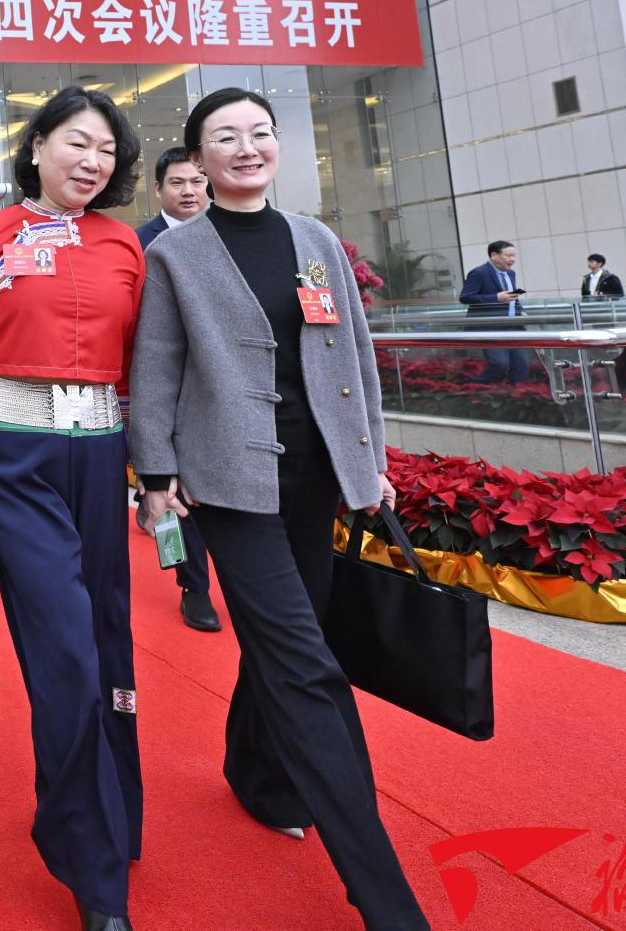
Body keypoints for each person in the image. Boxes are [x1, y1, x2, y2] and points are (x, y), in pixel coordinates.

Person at [129, 86, 428, 931]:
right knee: (306, 664)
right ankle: (383, 893)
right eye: (226, 136)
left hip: (316, 474)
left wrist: (369, 460)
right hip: (229, 482)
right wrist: (156, 473)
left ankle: (255, 773)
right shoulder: (177, 253)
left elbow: (355, 352)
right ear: (198, 157)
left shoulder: (314, 239)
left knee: (287, 639)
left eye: (260, 132)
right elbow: (155, 364)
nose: (246, 147)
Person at [0, 86, 145, 931]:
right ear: (37, 144)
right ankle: (93, 870)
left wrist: (156, 471)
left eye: (107, 150)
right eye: (78, 142)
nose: (93, 161)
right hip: (14, 456)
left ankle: (114, 812)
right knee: (64, 651)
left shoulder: (126, 243)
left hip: (104, 452)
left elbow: (143, 363)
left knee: (110, 637)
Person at [132, 146, 220, 635]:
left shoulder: (225, 234)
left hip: (219, 386)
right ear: (158, 189)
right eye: (178, 183)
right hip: (164, 384)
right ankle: (194, 586)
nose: (189, 191)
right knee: (173, 486)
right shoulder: (138, 244)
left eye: (197, 181)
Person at [459, 240, 529, 384]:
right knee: (500, 363)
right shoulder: (479, 273)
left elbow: (512, 297)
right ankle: (473, 387)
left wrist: (520, 311)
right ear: (493, 255)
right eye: (508, 256)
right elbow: (465, 297)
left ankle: (517, 393)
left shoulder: (511, 273)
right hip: (490, 326)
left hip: (513, 326)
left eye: (514, 256)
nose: (512, 259)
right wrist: (495, 297)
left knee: (520, 365)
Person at [581, 253, 626, 397]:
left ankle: (610, 354)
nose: (590, 264)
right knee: (597, 333)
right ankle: (600, 355)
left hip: (606, 311)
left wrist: (603, 295)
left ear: (599, 263)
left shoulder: (610, 278)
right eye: (589, 261)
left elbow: (619, 294)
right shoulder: (587, 278)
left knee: (607, 332)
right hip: (593, 311)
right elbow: (584, 296)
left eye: (592, 261)